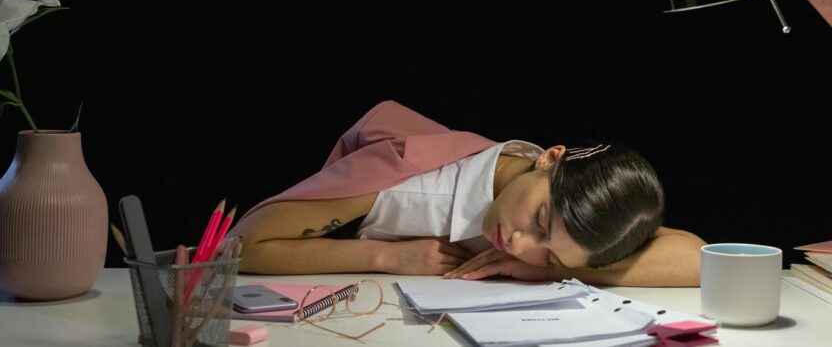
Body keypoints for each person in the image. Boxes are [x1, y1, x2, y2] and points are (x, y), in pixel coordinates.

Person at [230, 100, 704, 286]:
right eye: (539, 224)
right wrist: (386, 257)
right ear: (550, 157)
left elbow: (700, 259)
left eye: (551, 251)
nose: (520, 244)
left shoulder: (567, 214)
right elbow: (242, 246)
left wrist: (544, 271)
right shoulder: (407, 179)